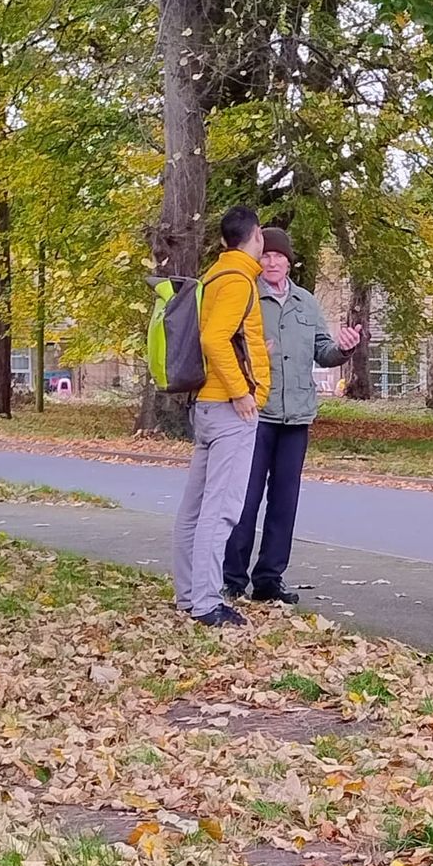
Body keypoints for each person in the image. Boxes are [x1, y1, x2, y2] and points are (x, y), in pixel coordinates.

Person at [223, 227, 362, 607]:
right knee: (245, 500)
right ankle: (231, 579)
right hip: (256, 414)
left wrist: (343, 350)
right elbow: (226, 346)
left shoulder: (305, 302)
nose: (271, 262)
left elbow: (323, 350)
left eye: (279, 256)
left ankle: (269, 579)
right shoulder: (247, 295)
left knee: (284, 502)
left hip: (296, 416)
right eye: (265, 255)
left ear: (289, 261)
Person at [173, 205, 271, 629]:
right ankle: (207, 601)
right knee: (222, 507)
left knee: (195, 507)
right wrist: (242, 393)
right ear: (257, 236)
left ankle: (188, 593)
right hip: (227, 408)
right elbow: (214, 339)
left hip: (205, 405)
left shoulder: (215, 276)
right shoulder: (238, 281)